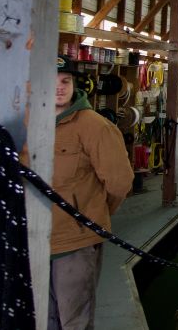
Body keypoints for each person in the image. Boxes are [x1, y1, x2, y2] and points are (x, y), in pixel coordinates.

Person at [49, 55, 134, 330]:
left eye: (66, 81)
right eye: (52, 81)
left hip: (74, 245)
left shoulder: (95, 126)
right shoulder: (27, 121)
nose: (60, 87)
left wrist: (91, 215)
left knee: (74, 321)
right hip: (33, 240)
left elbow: (119, 183)